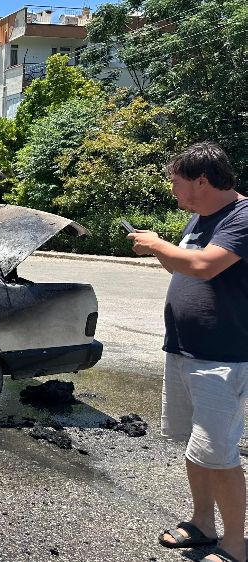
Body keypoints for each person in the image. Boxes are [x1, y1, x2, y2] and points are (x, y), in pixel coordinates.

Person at [128, 142, 247, 562]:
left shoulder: (242, 217)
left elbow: (203, 266)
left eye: (177, 184)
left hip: (221, 358)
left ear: (201, 181)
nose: (172, 192)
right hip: (183, 350)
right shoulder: (199, 217)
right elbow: (182, 263)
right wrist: (157, 248)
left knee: (220, 453)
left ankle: (235, 544)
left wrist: (159, 244)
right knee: (197, 449)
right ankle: (201, 524)